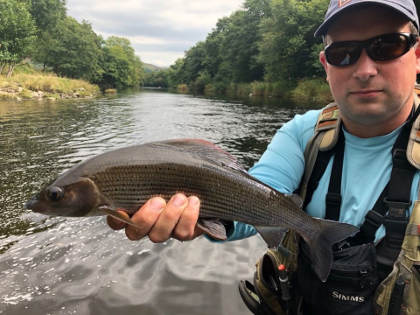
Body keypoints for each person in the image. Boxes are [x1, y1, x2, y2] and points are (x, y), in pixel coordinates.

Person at [108, 0, 420, 314]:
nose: (365, 70)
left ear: (417, 56)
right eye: (344, 53)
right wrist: (203, 219)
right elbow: (258, 194)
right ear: (326, 66)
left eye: (388, 46)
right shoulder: (302, 133)